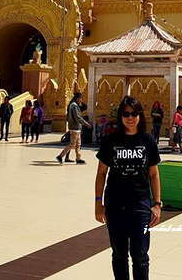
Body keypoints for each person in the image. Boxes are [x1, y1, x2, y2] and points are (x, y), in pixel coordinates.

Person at [95, 96, 162, 280]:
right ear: (120, 117)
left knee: (140, 255)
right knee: (119, 254)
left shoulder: (147, 141)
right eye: (126, 114)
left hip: (141, 206)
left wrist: (157, 204)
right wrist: (98, 203)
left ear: (140, 115)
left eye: (134, 113)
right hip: (115, 206)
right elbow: (101, 174)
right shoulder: (111, 141)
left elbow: (154, 174)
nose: (130, 118)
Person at [57, 92, 92, 164]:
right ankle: (60, 156)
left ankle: (78, 158)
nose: (81, 100)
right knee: (72, 144)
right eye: (80, 99)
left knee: (78, 144)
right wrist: (86, 124)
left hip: (76, 127)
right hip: (75, 127)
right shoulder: (74, 106)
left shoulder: (72, 105)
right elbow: (78, 117)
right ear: (77, 98)